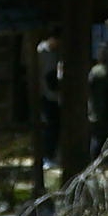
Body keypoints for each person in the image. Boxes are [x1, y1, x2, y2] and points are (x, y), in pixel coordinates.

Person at [36, 31, 61, 169]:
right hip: (46, 94)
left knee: (55, 126)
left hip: (56, 94)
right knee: (49, 126)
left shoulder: (58, 52)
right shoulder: (41, 51)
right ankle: (47, 156)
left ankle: (53, 155)